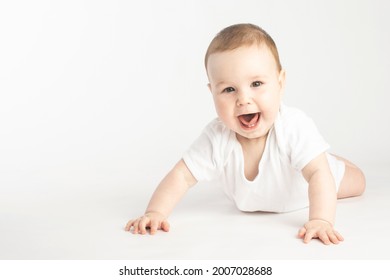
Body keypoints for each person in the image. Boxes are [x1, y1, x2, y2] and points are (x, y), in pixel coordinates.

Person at [125, 23, 366, 245]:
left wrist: (321, 220)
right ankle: (318, 155)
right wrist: (155, 212)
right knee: (316, 162)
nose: (243, 99)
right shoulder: (217, 137)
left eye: (256, 84)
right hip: (289, 179)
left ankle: (327, 158)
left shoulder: (292, 126)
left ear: (280, 83)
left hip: (312, 184)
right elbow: (181, 176)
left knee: (355, 181)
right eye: (229, 89)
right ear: (212, 92)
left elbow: (317, 174)